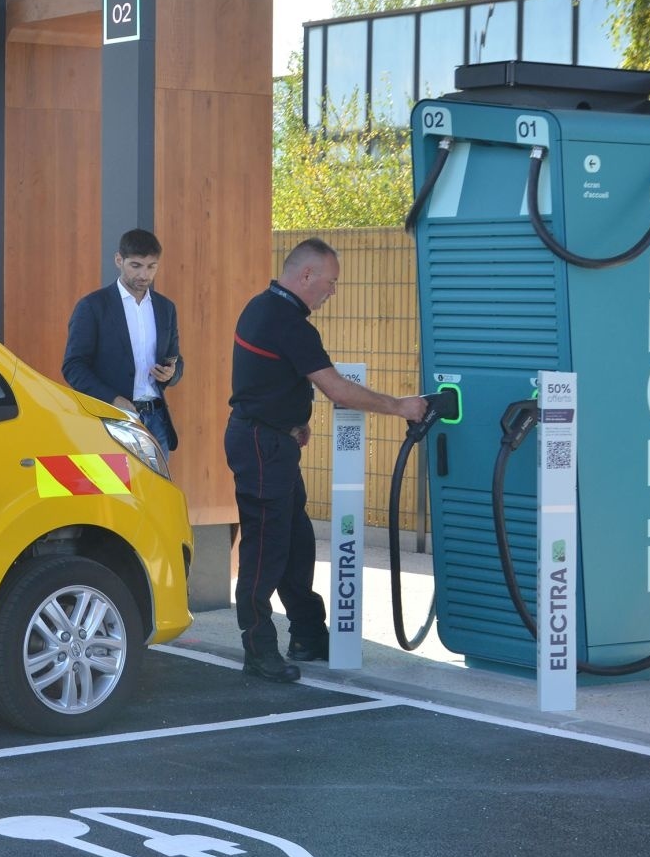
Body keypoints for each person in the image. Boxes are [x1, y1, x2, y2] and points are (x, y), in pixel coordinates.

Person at [227, 238, 429, 683]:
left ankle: (307, 633)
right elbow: (337, 388)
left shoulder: (263, 307)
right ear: (305, 276)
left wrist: (292, 422)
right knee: (265, 549)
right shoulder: (287, 321)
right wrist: (401, 406)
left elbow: (264, 382)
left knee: (296, 542)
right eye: (330, 282)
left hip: (271, 441)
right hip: (262, 447)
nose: (332, 291)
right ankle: (259, 650)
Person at [62, 228, 183, 452]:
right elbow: (73, 367)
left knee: (155, 488)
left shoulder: (166, 308)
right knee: (116, 487)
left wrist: (171, 373)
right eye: (135, 265)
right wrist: (114, 399)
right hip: (111, 419)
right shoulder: (93, 307)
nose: (144, 275)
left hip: (157, 421)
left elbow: (176, 361)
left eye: (151, 267)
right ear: (119, 260)